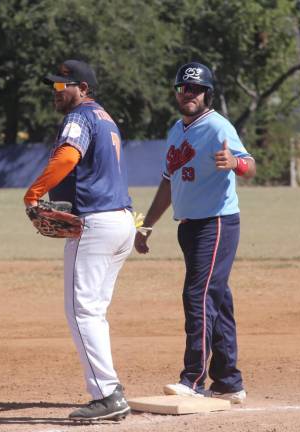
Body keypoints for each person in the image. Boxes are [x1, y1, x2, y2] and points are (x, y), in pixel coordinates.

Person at [134, 61, 256, 404]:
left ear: (207, 94)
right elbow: (168, 182)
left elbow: (250, 163)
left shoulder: (218, 126)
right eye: (183, 88)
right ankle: (229, 381)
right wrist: (147, 225)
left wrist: (236, 163)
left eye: (196, 89)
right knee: (216, 299)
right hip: (189, 227)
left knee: (197, 296)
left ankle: (193, 379)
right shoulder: (177, 130)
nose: (189, 94)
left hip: (216, 222)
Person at [24, 59, 135, 422]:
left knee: (81, 311)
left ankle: (106, 393)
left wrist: (35, 191)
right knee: (94, 311)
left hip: (97, 225)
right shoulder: (105, 117)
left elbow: (68, 156)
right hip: (121, 222)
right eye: (53, 86)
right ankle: (109, 389)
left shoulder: (80, 117)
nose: (55, 92)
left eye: (62, 86)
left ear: (83, 89)